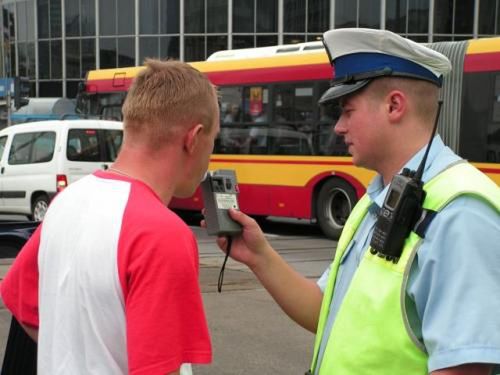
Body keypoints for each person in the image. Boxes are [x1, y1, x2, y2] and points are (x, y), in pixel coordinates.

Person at [206, 28, 500, 374]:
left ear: (394, 105)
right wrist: (258, 256)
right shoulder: (376, 199)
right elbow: (325, 309)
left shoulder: (460, 213)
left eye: (347, 111)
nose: (338, 128)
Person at [0, 59, 219, 375]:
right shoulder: (162, 233)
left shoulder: (66, 201)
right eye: (214, 139)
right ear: (194, 138)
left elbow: (21, 301)